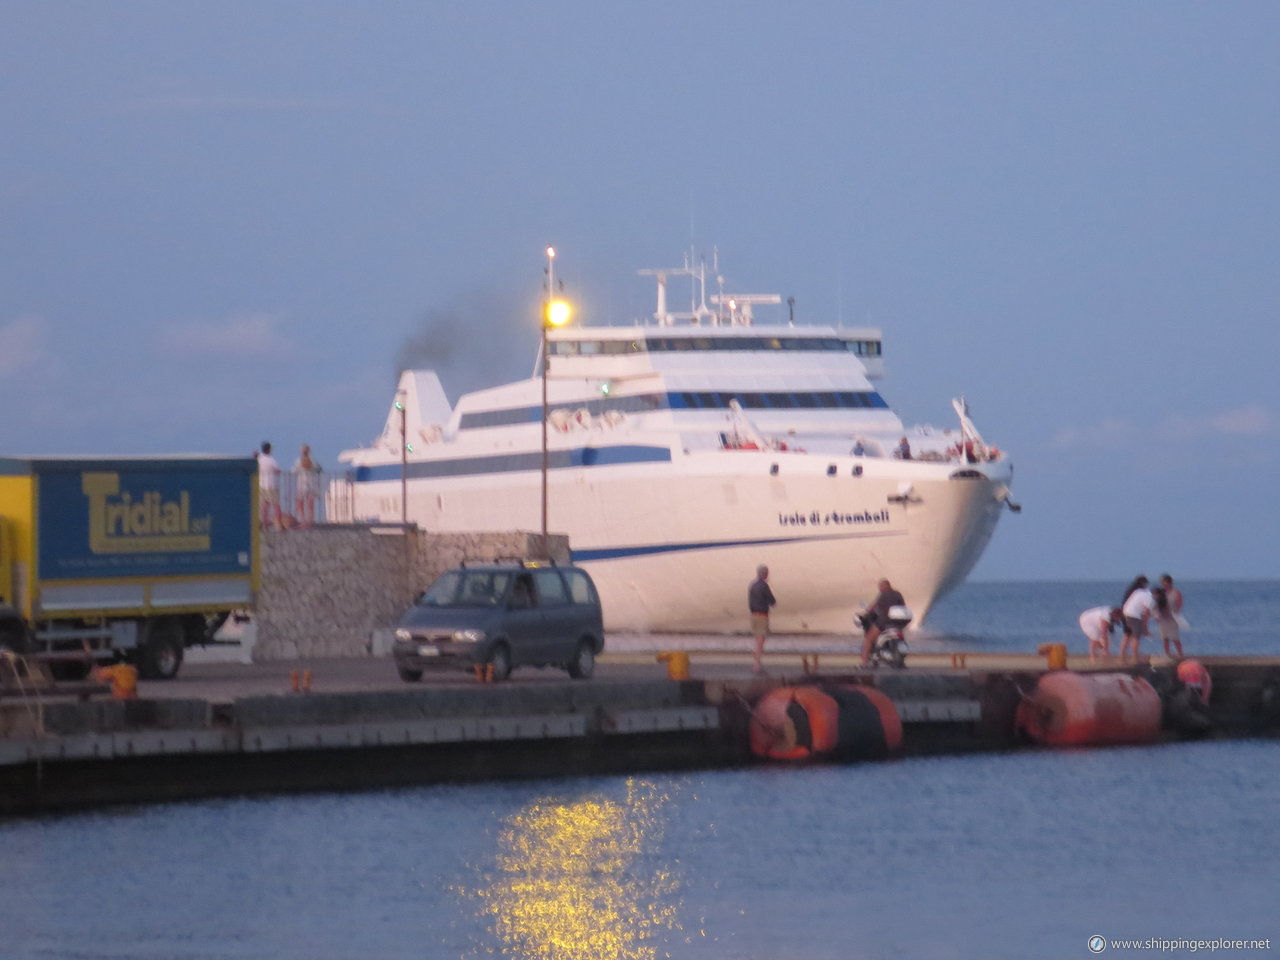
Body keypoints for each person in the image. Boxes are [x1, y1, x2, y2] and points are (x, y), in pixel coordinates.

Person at [861, 578, 905, 666]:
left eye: (881, 586)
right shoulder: (898, 594)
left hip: (885, 621)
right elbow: (903, 606)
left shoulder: (884, 594)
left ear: (885, 586)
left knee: (868, 639)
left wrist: (865, 614)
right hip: (898, 622)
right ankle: (900, 661)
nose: (880, 588)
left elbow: (874, 606)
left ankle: (864, 663)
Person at [748, 565, 776, 675]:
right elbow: (772, 601)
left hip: (753, 615)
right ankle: (756, 665)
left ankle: (757, 661)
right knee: (760, 641)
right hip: (762, 616)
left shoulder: (752, 585)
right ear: (766, 574)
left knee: (757, 640)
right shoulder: (764, 586)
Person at [1120, 576, 1156, 661]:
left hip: (1125, 613)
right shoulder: (1148, 597)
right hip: (1133, 615)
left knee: (1127, 635)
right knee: (1136, 637)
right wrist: (1145, 629)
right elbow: (1146, 614)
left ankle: (1122, 656)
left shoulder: (1136, 591)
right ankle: (1135, 657)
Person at [292, 444, 322, 527]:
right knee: (310, 503)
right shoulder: (313, 461)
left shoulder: (299, 461)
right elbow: (319, 470)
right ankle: (310, 519)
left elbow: (293, 471)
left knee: (299, 502)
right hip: (312, 484)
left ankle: (303, 519)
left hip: (302, 484)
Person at [1152, 585, 1184, 658]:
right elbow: (1153, 611)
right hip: (1163, 622)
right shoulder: (1157, 602)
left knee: (1175, 638)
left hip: (1172, 621)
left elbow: (1175, 609)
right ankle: (1167, 653)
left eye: (1155, 594)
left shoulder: (1167, 600)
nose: (1154, 596)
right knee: (1165, 638)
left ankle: (1180, 654)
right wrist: (1156, 617)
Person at [258, 442, 282, 530]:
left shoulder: (259, 459)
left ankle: (265, 525)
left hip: (261, 485)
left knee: (264, 506)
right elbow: (278, 470)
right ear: (269, 449)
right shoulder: (271, 460)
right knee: (276, 505)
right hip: (272, 485)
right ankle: (278, 525)